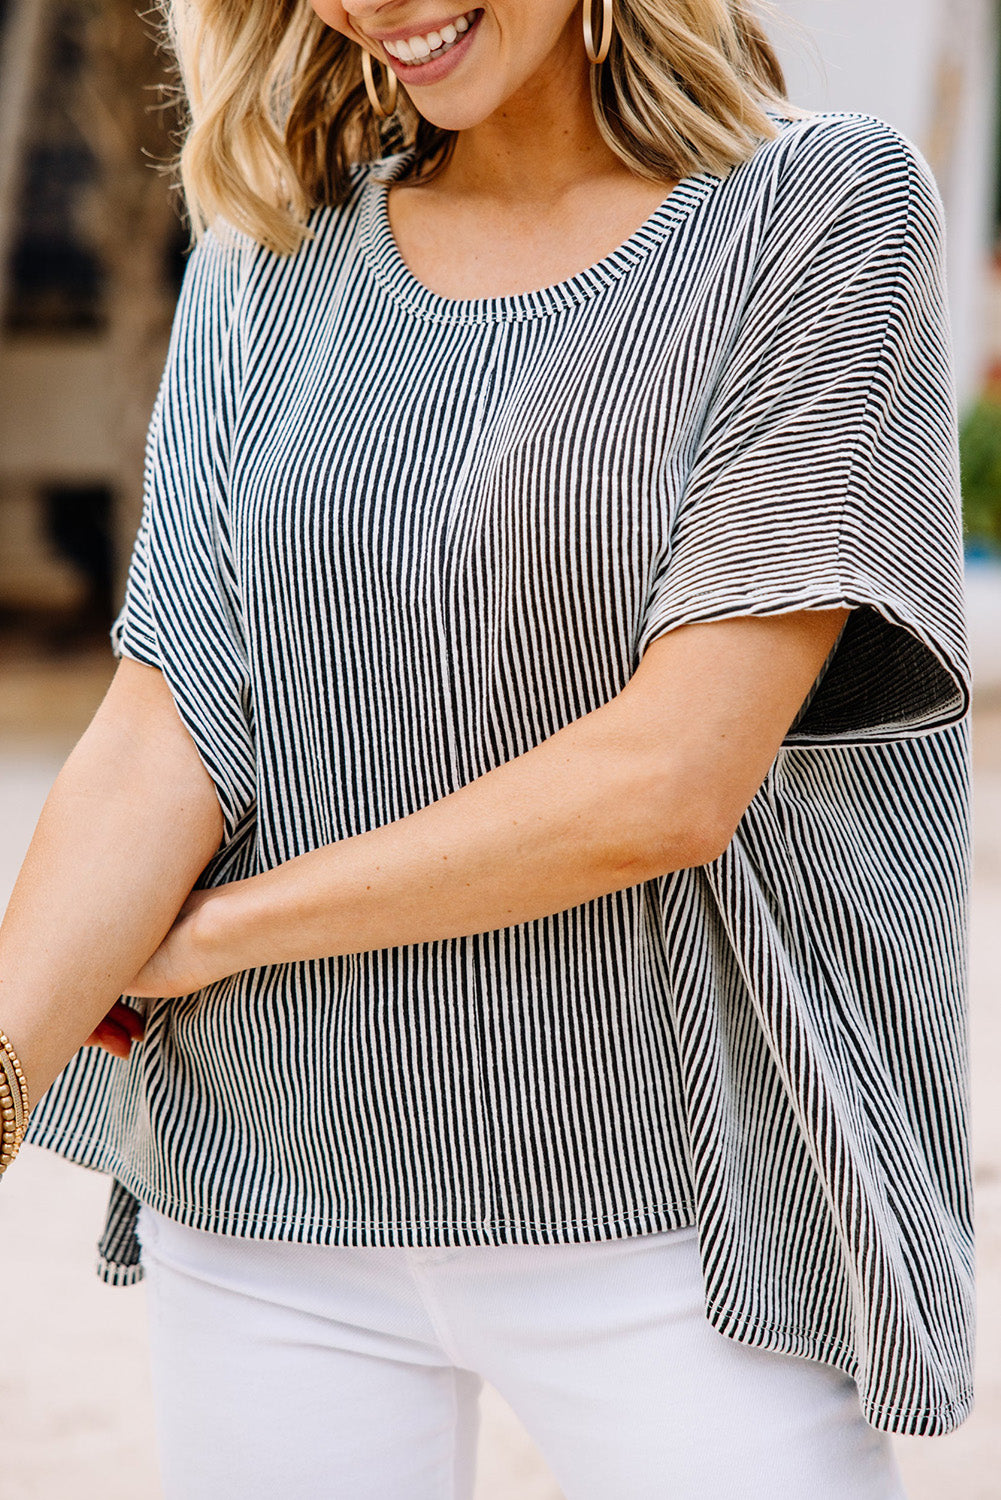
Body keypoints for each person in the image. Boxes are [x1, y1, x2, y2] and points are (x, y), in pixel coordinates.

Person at [0, 1, 975, 1496]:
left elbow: (667, 780)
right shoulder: (271, 254)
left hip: (666, 1217)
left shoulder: (815, 213)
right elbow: (164, 727)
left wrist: (219, 934)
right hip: (266, 1208)